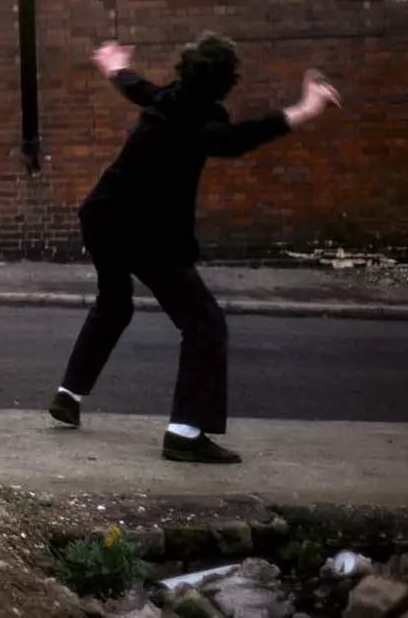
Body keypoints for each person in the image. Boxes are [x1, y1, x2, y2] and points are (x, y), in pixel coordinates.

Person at [49, 33, 340, 463]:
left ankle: (68, 395)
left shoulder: (166, 99)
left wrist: (111, 63)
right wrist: (306, 109)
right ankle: (185, 432)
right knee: (204, 323)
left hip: (103, 216)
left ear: (184, 71)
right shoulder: (204, 122)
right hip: (146, 232)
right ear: (226, 83)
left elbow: (135, 86)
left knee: (114, 304)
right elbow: (240, 139)